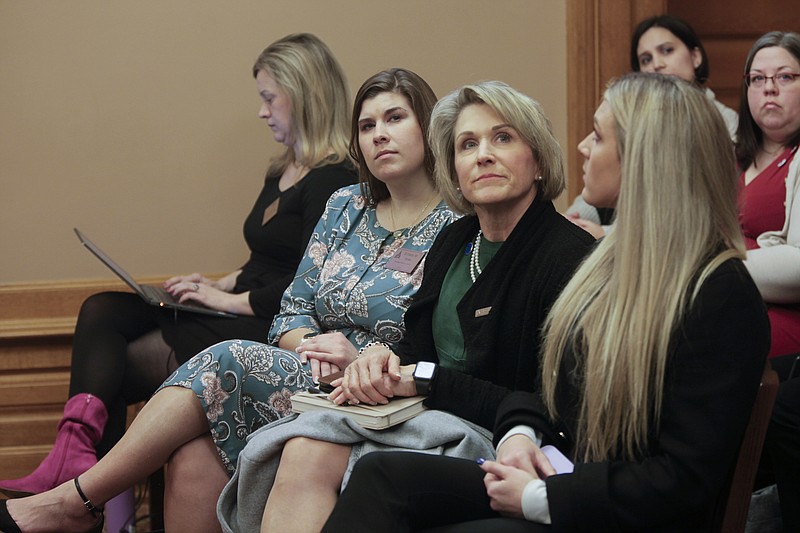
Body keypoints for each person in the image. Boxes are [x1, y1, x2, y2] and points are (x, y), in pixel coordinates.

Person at [0, 67, 455, 533]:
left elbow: (446, 348)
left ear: (427, 125)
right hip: (310, 377)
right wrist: (316, 352)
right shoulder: (345, 205)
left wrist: (357, 359)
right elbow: (291, 311)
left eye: (394, 118)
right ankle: (76, 499)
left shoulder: (457, 225)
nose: (379, 135)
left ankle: (75, 501)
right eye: (366, 125)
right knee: (192, 454)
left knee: (227, 357)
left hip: (387, 395)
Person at [321, 72, 770, 532]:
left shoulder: (718, 293)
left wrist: (539, 496)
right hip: (560, 471)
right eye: (466, 145)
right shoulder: (614, 265)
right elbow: (553, 394)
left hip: (608, 509)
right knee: (382, 474)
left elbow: (682, 481)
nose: (582, 147)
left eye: (598, 136)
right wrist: (519, 435)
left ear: (644, 159)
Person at [218, 81, 597, 533]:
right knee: (301, 443)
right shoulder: (456, 241)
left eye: (503, 138)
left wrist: (419, 378)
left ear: (537, 159)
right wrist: (381, 361)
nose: (483, 155)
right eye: (467, 144)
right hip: (426, 413)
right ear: (452, 169)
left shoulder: (567, 256)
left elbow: (546, 405)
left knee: (318, 449)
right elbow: (417, 352)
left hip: (509, 439)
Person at [0, 32, 356, 499]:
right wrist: (211, 283)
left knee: (116, 365)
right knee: (102, 310)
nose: (262, 111)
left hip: (265, 328)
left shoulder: (336, 179)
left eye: (269, 98)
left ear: (304, 94)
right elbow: (265, 258)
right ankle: (76, 465)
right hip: (233, 306)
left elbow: (308, 282)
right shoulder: (282, 169)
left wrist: (227, 298)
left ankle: (83, 492)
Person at [566, 14, 738, 239]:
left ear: (695, 56)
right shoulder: (641, 118)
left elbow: (678, 204)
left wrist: (606, 234)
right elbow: (614, 177)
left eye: (667, 50)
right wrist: (572, 220)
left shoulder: (722, 121)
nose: (657, 64)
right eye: (646, 59)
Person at [737, 30, 800, 532]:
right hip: (728, 320)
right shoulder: (729, 157)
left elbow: (799, 267)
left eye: (785, 77)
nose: (769, 89)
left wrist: (718, 261)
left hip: (785, 339)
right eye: (758, 79)